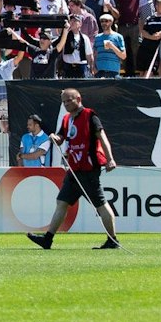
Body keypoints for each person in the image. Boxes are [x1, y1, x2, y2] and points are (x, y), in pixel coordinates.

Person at [27, 87, 121, 250]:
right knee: (62, 202)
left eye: (69, 100)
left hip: (88, 168)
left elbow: (102, 137)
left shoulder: (90, 116)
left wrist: (110, 159)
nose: (66, 104)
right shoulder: (66, 119)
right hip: (74, 170)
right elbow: (60, 139)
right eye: (64, 101)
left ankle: (113, 240)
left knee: (100, 204)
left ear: (78, 99)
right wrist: (54, 138)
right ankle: (48, 239)